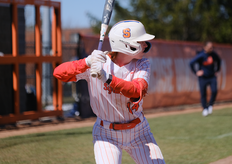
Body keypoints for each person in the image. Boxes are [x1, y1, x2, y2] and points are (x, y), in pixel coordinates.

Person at [53, 20, 165, 164]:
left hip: (139, 132)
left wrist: (107, 78)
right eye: (140, 41)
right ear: (127, 45)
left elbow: (137, 90)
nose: (145, 44)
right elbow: (59, 73)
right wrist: (86, 62)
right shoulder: (97, 62)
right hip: (106, 134)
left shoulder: (142, 64)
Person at [189, 41, 221, 117]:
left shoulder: (214, 55)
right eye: (210, 47)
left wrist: (217, 70)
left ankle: (210, 105)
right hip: (203, 78)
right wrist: (196, 72)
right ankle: (205, 109)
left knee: (214, 91)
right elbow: (191, 63)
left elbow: (219, 61)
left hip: (212, 76)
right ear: (205, 47)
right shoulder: (201, 55)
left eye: (212, 47)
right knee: (203, 94)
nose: (211, 48)